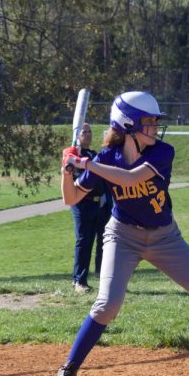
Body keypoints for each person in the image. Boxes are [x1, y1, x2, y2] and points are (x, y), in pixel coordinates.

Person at [57, 91, 189, 376]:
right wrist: (66, 169)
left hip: (165, 237)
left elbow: (130, 179)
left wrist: (86, 165)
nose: (155, 128)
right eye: (148, 122)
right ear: (127, 125)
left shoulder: (161, 153)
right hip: (122, 235)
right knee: (107, 305)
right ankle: (69, 368)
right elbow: (70, 197)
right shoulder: (105, 158)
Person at [67, 122, 111, 293]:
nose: (88, 134)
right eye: (84, 132)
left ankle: (103, 278)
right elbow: (79, 177)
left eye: (90, 131)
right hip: (82, 204)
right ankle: (79, 280)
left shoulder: (93, 154)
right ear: (77, 135)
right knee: (84, 242)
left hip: (99, 204)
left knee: (103, 242)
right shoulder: (73, 155)